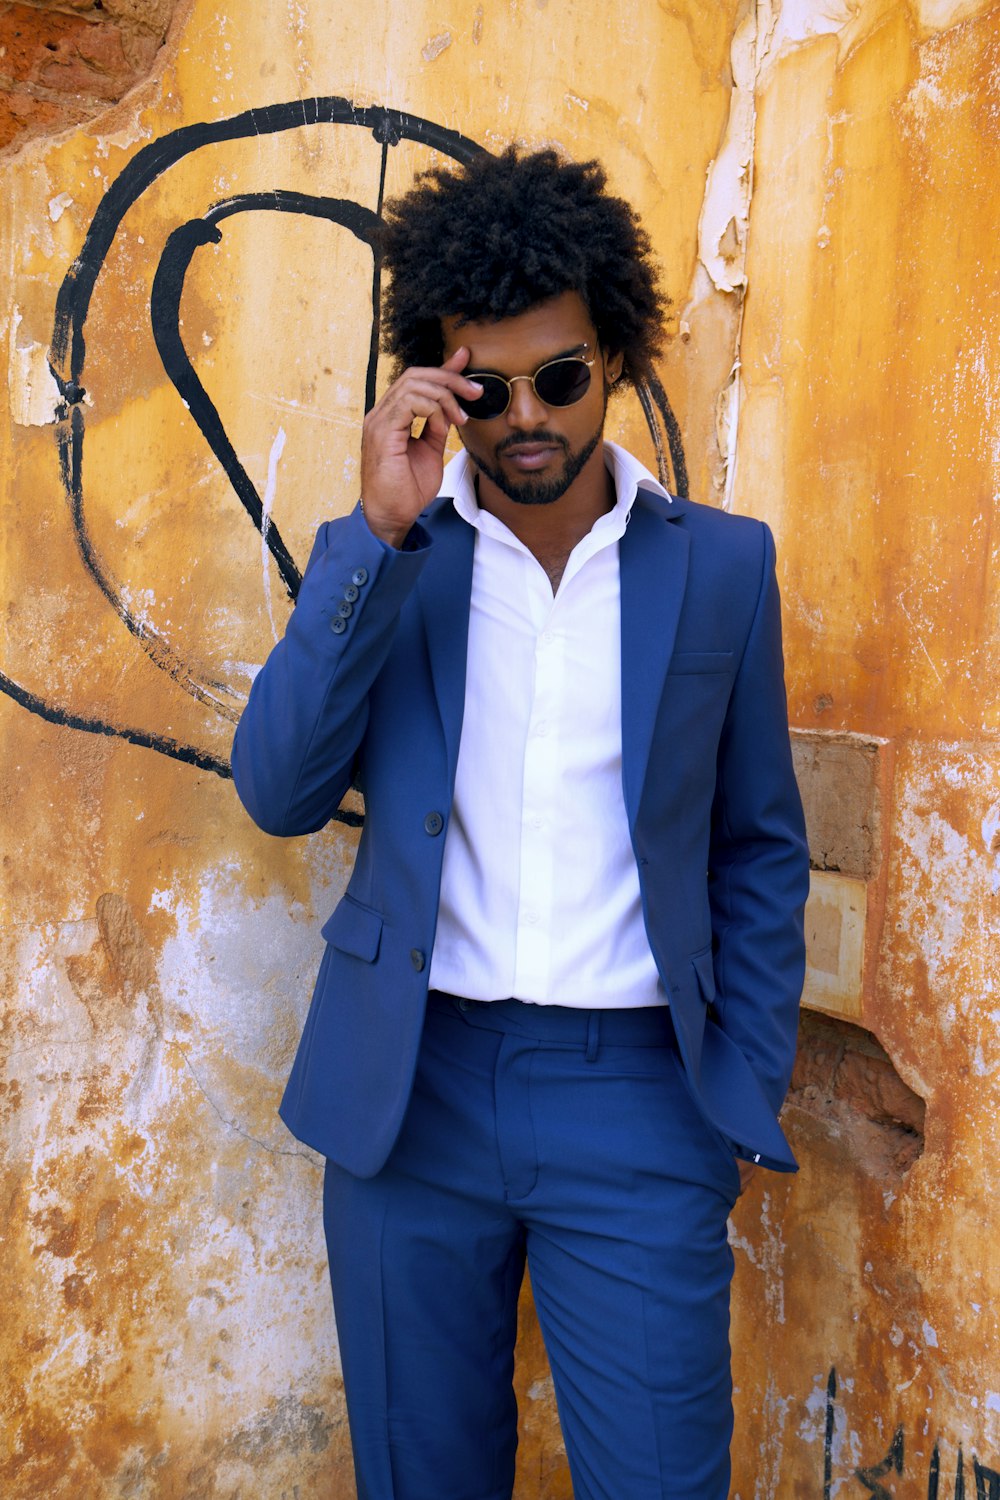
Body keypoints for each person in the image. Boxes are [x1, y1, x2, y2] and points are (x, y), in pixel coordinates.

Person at [231, 147, 809, 1500]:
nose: (527, 418)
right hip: (411, 1094)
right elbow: (279, 790)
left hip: (640, 1102)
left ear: (613, 357)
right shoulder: (392, 559)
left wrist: (740, 1079)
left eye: (560, 377)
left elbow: (758, 839)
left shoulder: (722, 570)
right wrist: (375, 532)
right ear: (442, 379)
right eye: (488, 387)